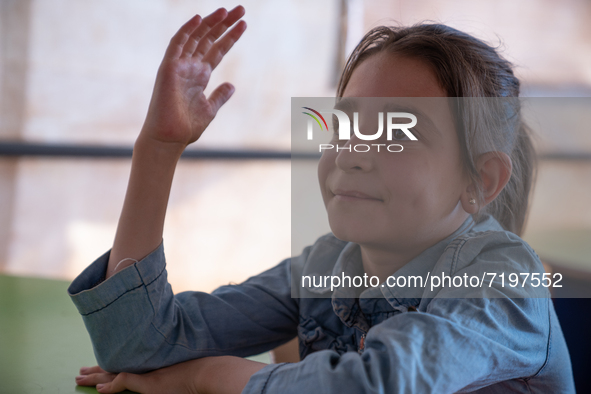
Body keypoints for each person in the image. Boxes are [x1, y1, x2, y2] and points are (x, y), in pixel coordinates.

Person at [68, 5, 575, 393]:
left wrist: (206, 375)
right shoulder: (327, 264)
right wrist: (158, 149)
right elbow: (135, 345)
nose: (354, 152)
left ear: (480, 181)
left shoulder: (507, 283)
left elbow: (369, 385)